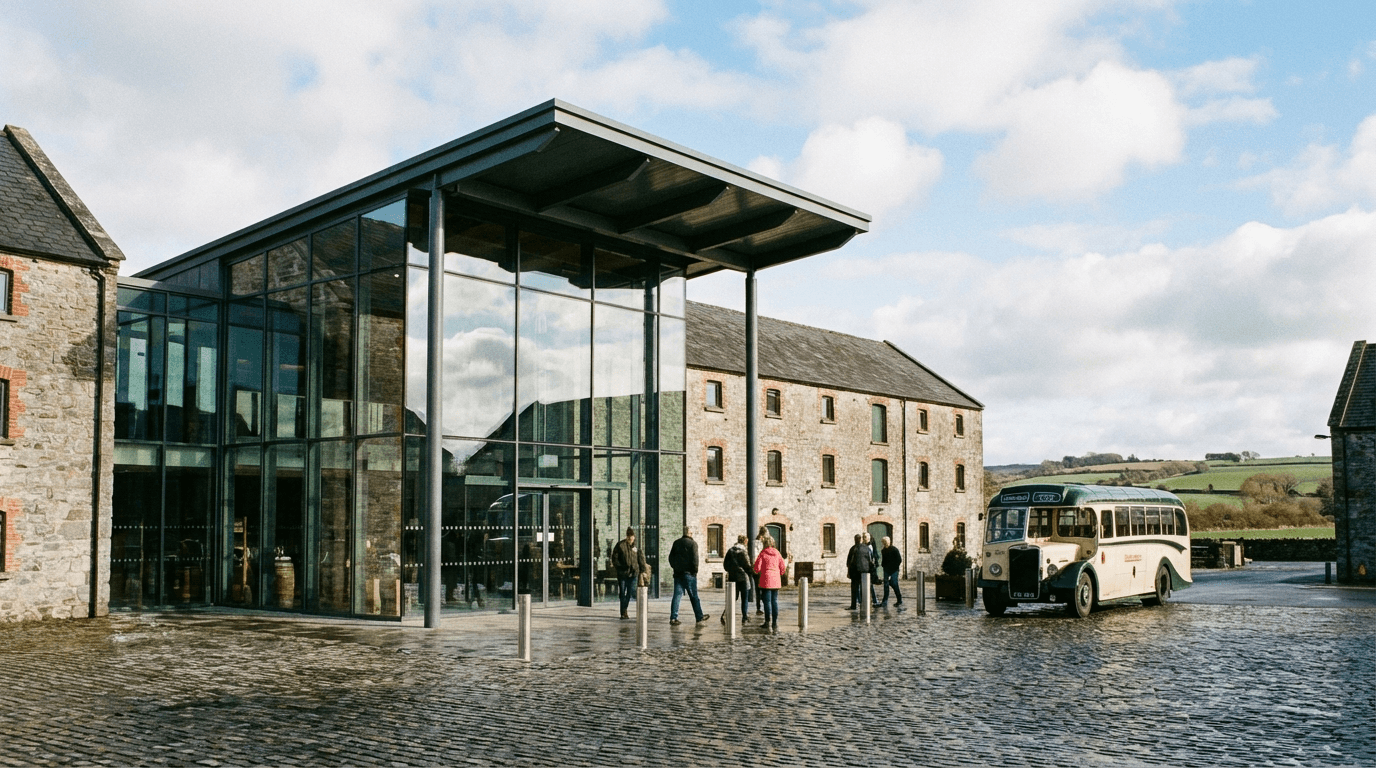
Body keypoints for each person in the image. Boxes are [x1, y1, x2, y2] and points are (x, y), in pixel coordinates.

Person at [668, 527, 709, 626]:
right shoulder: (693, 544)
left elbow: (670, 558)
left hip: (678, 574)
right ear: (690, 533)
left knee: (677, 596)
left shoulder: (676, 543)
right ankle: (699, 617)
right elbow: (695, 559)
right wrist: (695, 571)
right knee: (694, 596)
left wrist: (675, 567)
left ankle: (673, 618)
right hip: (689, 574)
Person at [611, 527, 648, 620]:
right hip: (623, 573)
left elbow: (641, 559)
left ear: (634, 537)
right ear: (626, 537)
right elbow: (614, 558)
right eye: (629, 537)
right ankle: (623, 612)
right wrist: (620, 567)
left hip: (633, 573)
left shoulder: (636, 548)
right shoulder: (620, 545)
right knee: (622, 592)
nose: (630, 539)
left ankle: (624, 609)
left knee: (630, 591)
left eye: (632, 537)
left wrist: (643, 571)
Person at [753, 534, 786, 630]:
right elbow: (783, 568)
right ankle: (775, 623)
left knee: (767, 602)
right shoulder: (777, 553)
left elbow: (757, 568)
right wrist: (778, 573)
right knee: (774, 601)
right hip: (776, 580)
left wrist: (757, 571)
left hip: (765, 580)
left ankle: (767, 622)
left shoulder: (762, 553)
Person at [721, 534, 752, 624]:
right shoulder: (743, 552)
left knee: (732, 598)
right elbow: (746, 565)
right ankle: (744, 617)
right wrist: (750, 573)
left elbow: (725, 565)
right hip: (743, 578)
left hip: (733, 577)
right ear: (745, 542)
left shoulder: (730, 551)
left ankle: (725, 614)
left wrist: (731, 571)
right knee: (744, 598)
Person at [846, 534, 871, 611]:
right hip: (864, 571)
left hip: (855, 571)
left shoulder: (853, 548)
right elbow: (870, 559)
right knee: (864, 588)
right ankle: (863, 604)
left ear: (855, 539)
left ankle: (854, 605)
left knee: (854, 589)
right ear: (861, 539)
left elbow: (849, 562)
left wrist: (848, 572)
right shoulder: (866, 548)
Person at [879, 535, 903, 607]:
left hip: (894, 570)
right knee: (886, 585)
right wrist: (883, 565)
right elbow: (884, 560)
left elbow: (899, 560)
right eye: (884, 542)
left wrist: (894, 568)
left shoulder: (894, 550)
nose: (886, 543)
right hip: (886, 570)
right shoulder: (883, 550)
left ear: (889, 542)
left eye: (887, 542)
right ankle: (884, 601)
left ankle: (899, 599)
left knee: (894, 584)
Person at [862, 531, 880, 606]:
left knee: (870, 584)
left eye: (866, 537)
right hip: (864, 567)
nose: (865, 538)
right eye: (864, 537)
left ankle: (874, 600)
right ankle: (872, 600)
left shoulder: (870, 546)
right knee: (866, 584)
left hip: (869, 568)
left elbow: (872, 557)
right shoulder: (863, 546)